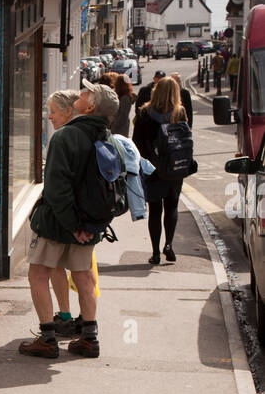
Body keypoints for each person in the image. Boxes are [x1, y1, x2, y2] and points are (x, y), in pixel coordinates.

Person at [19, 79, 120, 360]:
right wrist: (88, 226)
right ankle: (89, 339)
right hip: (89, 226)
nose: (82, 91)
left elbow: (56, 189)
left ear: (89, 106)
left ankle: (48, 339)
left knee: (37, 274)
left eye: (87, 92)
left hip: (57, 223)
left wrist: (73, 225)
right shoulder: (107, 138)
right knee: (85, 277)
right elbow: (113, 187)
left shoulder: (64, 137)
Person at [132, 75, 190, 265]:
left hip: (152, 169)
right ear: (175, 93)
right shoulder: (179, 112)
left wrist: (145, 161)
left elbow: (136, 142)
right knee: (172, 207)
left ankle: (155, 252)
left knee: (155, 210)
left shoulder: (144, 112)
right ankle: (169, 245)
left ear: (155, 90)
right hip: (174, 168)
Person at [44, 89, 80, 336]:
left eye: (53, 112)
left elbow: (56, 185)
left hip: (64, 216)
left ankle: (66, 319)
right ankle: (84, 323)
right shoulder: (85, 135)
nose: (49, 117)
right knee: (82, 271)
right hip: (82, 216)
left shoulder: (62, 138)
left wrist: (70, 221)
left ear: (68, 112)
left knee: (52, 267)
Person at [103, 71, 134, 136]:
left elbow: (122, 116)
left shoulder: (125, 98)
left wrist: (113, 128)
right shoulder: (121, 95)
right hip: (119, 126)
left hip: (119, 128)